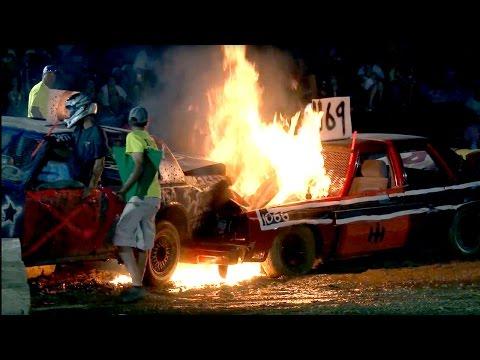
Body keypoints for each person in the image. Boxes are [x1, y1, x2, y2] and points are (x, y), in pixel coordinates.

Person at [112, 106, 161, 303]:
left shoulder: (133, 137)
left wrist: (124, 190)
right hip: (154, 196)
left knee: (121, 239)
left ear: (130, 121)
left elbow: (139, 165)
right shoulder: (152, 140)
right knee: (144, 244)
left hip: (140, 196)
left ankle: (137, 286)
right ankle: (137, 285)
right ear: (146, 122)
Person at [63, 93, 108, 198]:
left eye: (72, 109)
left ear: (82, 108)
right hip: (75, 184)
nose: (69, 113)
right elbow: (71, 153)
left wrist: (91, 188)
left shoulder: (96, 132)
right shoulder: (78, 130)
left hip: (87, 187)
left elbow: (99, 164)